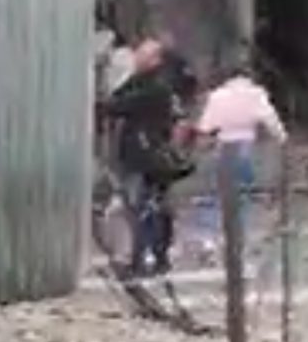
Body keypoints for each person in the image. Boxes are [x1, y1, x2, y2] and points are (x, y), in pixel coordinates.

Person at [102, 38, 195, 278]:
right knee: (151, 207)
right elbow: (117, 98)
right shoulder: (144, 81)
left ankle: (141, 259)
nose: (136, 58)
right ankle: (154, 257)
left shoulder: (156, 86)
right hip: (144, 152)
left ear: (155, 59)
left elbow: (116, 105)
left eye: (142, 55)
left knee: (142, 207)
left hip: (147, 154)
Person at [196, 55, 288, 220]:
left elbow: (206, 125)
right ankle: (249, 202)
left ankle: (228, 214)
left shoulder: (217, 96)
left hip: (225, 143)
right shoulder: (256, 94)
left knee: (225, 184)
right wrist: (281, 137)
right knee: (248, 179)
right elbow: (270, 118)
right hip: (248, 141)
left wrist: (202, 140)